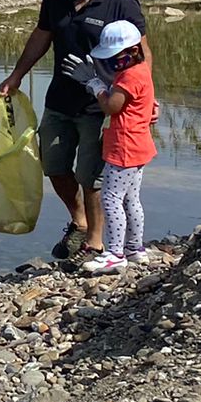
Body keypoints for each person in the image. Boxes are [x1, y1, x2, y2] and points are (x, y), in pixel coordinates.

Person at [0, 0, 146, 267]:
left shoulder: (119, 2)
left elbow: (141, 53)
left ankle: (95, 242)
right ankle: (78, 221)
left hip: (101, 103)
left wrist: (147, 99)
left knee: (90, 175)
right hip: (61, 98)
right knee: (54, 165)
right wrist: (17, 75)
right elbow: (42, 35)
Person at [68, 21, 157, 273]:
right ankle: (134, 248)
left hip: (124, 147)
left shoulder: (129, 76)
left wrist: (96, 86)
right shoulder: (141, 70)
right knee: (131, 199)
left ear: (131, 51)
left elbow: (112, 106)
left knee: (111, 198)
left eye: (114, 56)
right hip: (139, 144)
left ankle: (115, 252)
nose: (111, 62)